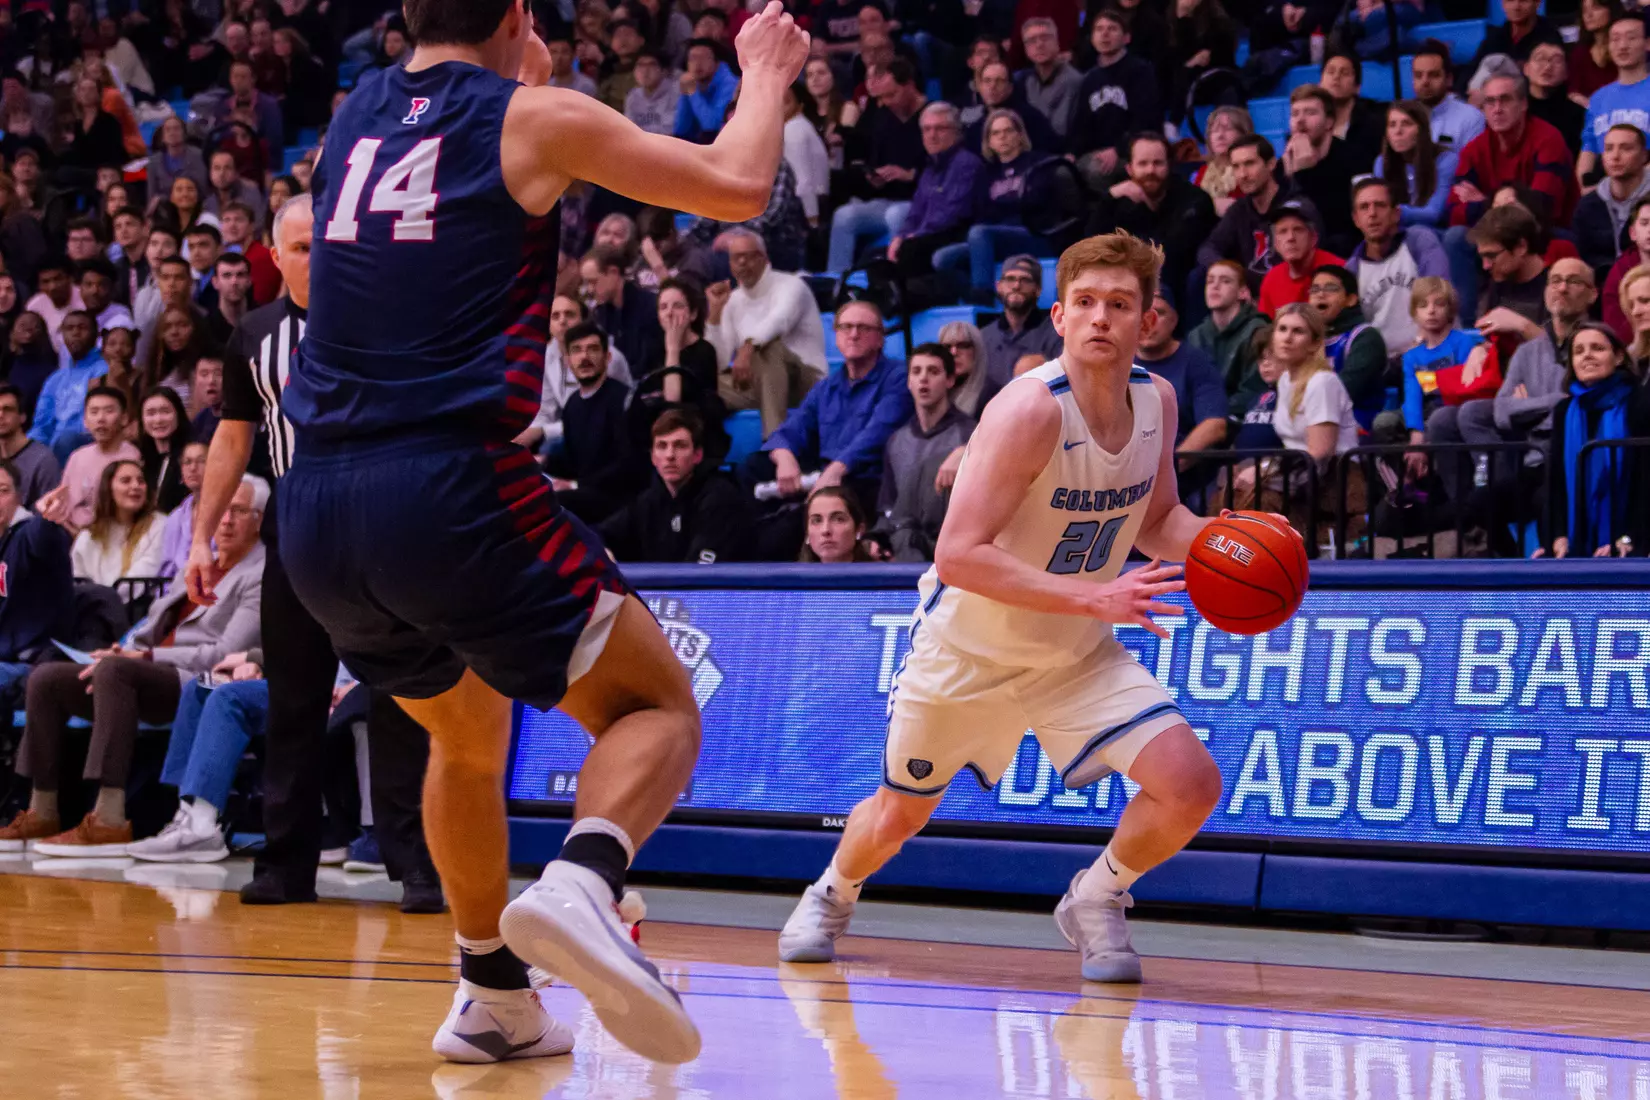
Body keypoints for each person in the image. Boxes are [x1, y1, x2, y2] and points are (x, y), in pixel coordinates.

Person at [273, 0, 812, 1065]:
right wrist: (764, 72)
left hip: (318, 506)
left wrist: (525, 66)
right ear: (516, 16)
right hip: (447, 485)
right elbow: (741, 183)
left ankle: (491, 993)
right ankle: (583, 882)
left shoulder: (351, 119)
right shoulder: (534, 117)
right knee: (657, 705)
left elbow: (451, 158)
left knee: (465, 738)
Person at [778, 230, 1236, 984]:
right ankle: (833, 890)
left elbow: (1156, 520)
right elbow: (958, 553)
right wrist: (1098, 594)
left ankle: (1097, 896)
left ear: (1146, 318)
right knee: (897, 817)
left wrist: (1234, 543)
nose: (1100, 318)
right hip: (971, 651)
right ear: (1057, 316)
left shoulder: (1157, 398)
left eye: (1119, 304)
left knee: (1191, 783)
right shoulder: (1028, 410)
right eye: (1085, 302)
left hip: (1073, 653)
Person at [7, 476, 265, 858]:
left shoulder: (260, 574)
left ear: (259, 519)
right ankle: (41, 809)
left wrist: (141, 658)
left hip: (193, 681)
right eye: (221, 510)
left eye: (238, 511)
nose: (225, 520)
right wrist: (122, 648)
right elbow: (151, 627)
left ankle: (109, 818)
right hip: (141, 670)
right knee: (47, 679)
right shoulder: (200, 562)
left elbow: (224, 651)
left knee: (116, 672)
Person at [744, 298, 912, 515]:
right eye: (846, 327)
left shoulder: (898, 378)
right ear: (837, 337)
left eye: (863, 328)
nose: (853, 334)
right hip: (823, 474)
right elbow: (794, 428)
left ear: (880, 339)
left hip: (864, 478)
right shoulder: (826, 387)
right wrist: (784, 456)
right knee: (752, 467)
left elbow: (877, 435)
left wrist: (837, 469)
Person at [1536, 322, 1650, 557]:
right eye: (1578, 351)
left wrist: (1630, 537)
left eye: (1597, 348)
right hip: (1577, 542)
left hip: (1632, 539)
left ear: (1618, 357)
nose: (1587, 355)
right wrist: (1557, 537)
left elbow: (1644, 480)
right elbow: (1556, 480)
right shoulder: (1564, 410)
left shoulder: (1640, 403)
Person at [705, 229, 827, 435]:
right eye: (736, 258)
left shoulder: (791, 285)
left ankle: (774, 445)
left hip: (807, 381)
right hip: (760, 384)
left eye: (748, 256)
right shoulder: (732, 300)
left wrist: (748, 347)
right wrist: (715, 315)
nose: (742, 263)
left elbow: (780, 320)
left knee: (766, 350)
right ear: (730, 265)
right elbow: (719, 361)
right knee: (700, 384)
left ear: (764, 258)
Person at [597, 408, 753, 562]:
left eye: (680, 446)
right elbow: (596, 534)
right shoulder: (646, 502)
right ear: (653, 457)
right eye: (662, 446)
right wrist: (603, 551)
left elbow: (700, 572)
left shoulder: (720, 497)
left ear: (697, 455)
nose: (670, 455)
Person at [870, 343, 975, 562]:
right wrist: (877, 539)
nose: (923, 379)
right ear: (909, 382)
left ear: (950, 380)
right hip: (905, 544)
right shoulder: (896, 441)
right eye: (916, 372)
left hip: (954, 547)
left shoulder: (971, 433)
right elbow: (888, 505)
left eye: (933, 371)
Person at [933, 109, 1052, 298]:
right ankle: (972, 294)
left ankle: (983, 294)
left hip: (1032, 234)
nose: (1002, 137)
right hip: (994, 238)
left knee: (979, 232)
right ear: (989, 141)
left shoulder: (1040, 163)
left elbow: (1036, 202)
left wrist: (1001, 207)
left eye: (1008, 131)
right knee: (942, 258)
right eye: (995, 133)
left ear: (1020, 135)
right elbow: (981, 212)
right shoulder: (986, 173)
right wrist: (1010, 203)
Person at [1094, 133, 1216, 309]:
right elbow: (1091, 244)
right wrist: (1109, 198)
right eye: (1143, 164)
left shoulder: (1194, 199)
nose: (1150, 170)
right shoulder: (1118, 200)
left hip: (1178, 287)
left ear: (1169, 166)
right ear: (1129, 169)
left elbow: (1174, 251)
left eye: (1157, 163)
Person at [826, 59, 926, 272]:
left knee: (895, 215)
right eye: (882, 97)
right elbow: (875, 161)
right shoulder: (883, 118)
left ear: (909, 85)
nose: (887, 102)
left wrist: (911, 175)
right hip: (888, 198)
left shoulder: (932, 119)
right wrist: (875, 178)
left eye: (892, 95)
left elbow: (943, 169)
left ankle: (897, 278)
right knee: (844, 216)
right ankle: (835, 280)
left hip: (920, 202)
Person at [547, 323, 643, 523]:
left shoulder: (625, 400)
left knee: (551, 502)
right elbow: (574, 461)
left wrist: (576, 484)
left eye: (592, 349)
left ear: (607, 357)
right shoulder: (572, 404)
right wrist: (542, 462)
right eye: (577, 350)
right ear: (567, 361)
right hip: (584, 491)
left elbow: (628, 466)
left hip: (618, 499)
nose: (584, 357)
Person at [1345, 178, 1450, 356]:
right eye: (1364, 207)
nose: (1372, 213)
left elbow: (1441, 296)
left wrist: (1416, 347)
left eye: (1380, 205)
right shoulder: (1352, 270)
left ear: (1396, 213)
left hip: (1431, 352)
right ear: (1356, 220)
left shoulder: (1419, 242)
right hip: (1382, 367)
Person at [0, 457, 72, 711]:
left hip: (27, 662)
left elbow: (42, 540)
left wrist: (45, 519)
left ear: (19, 498)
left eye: (3, 491)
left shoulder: (26, 533)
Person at [1066, 9, 1161, 193]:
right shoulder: (1089, 79)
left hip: (1132, 152)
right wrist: (1071, 153)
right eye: (1099, 29)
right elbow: (1081, 125)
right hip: (1096, 153)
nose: (1105, 34)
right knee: (1061, 173)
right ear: (1092, 39)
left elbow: (1145, 120)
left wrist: (1118, 149)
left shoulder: (1140, 71)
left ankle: (1115, 220)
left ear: (1126, 38)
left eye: (1112, 29)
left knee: (1097, 171)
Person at [1135, 288, 1228, 458]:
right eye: (1143, 312)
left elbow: (1214, 425)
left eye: (1159, 313)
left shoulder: (1196, 362)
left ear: (1174, 320)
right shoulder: (1115, 361)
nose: (1149, 321)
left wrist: (1170, 467)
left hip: (1184, 477)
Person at [1197, 135, 1285, 294]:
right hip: (1247, 291)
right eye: (1236, 167)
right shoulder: (1239, 209)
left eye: (1249, 164)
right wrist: (1231, 273)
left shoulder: (1293, 207)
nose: (1242, 174)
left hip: (1283, 295)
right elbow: (1208, 248)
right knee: (1197, 277)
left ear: (1271, 164)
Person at [1279, 86, 1359, 256]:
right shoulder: (1283, 164)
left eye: (1310, 112)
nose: (1300, 120)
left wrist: (1304, 174)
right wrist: (1289, 178)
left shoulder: (1352, 157)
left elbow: (1337, 221)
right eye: (1295, 114)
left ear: (1329, 122)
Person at [1469, 203, 1552, 364]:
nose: (1485, 266)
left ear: (1521, 246)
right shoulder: (1499, 282)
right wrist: (1479, 349)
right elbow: (1488, 339)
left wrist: (1521, 325)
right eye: (1482, 257)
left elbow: (1563, 351)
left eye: (1491, 256)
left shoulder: (1557, 286)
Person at [1307, 264, 1389, 427]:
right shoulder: (1306, 338)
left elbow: (1344, 392)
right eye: (1314, 289)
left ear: (1350, 300)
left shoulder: (1365, 337)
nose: (1321, 294)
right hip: (1312, 420)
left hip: (1356, 427)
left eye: (1331, 288)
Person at [1578, 14, 1650, 187]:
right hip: (1605, 192)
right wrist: (1586, 189)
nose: (1623, 46)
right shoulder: (1598, 98)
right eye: (1615, 39)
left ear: (1647, 43)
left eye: (1631, 38)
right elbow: (1589, 149)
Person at [1189, 260, 1268, 417]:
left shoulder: (1258, 330)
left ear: (1243, 292)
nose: (1215, 286)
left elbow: (1253, 390)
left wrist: (1215, 413)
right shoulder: (1196, 335)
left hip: (1240, 420)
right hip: (1202, 419)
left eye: (1225, 281)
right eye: (1210, 281)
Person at [70, 458, 166, 585]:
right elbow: (77, 581)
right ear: (108, 489)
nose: (135, 486)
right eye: (126, 481)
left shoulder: (159, 525)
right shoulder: (88, 536)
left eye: (141, 481)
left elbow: (144, 573)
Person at [31, 313, 110, 463]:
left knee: (66, 439)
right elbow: (41, 424)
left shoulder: (104, 370)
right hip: (53, 446)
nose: (75, 333)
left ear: (96, 334)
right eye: (69, 328)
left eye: (82, 328)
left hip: (85, 440)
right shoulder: (56, 378)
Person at [980, 254, 1065, 385]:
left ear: (1038, 290)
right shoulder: (985, 337)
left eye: (1025, 280)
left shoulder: (1056, 333)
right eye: (1010, 279)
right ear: (998, 286)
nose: (1016, 286)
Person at [1576, 124, 1650, 271]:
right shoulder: (1587, 206)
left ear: (1644, 156)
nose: (1615, 156)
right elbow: (1582, 257)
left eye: (1626, 148)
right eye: (1609, 149)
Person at [1373, 101, 1457, 229]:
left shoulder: (1445, 159)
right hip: (1395, 232)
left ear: (1421, 129)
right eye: (1392, 125)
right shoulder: (1381, 162)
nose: (1398, 131)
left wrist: (1393, 211)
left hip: (1435, 233)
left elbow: (1434, 214)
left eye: (1406, 124)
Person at [1256, 198, 1342, 318]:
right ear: (1276, 243)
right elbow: (1265, 330)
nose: (1290, 237)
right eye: (1283, 231)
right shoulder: (1271, 280)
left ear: (1313, 238)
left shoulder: (1338, 271)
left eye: (1298, 229)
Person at [581, 246, 662, 372]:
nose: (590, 290)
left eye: (593, 281)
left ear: (613, 272)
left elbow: (648, 363)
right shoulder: (600, 314)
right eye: (587, 283)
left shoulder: (651, 307)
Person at [1016, 17, 1081, 138]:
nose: (1039, 44)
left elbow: (1061, 130)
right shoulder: (1024, 81)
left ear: (1057, 42)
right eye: (1032, 40)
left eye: (1045, 38)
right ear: (1026, 49)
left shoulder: (1073, 81)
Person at [0, 383, 61, 508]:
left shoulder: (43, 460)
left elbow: (48, 517)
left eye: (8, 409)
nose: (0, 415)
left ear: (22, 417)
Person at [1318, 51, 1385, 156]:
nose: (1336, 77)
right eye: (1330, 72)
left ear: (1357, 87)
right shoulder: (1310, 123)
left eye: (1345, 73)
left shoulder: (1374, 124)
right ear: (1320, 83)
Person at [138, 387, 193, 513]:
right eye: (151, 413)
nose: (158, 420)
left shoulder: (190, 456)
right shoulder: (141, 458)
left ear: (178, 414)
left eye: (165, 411)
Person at [160, 440, 210, 577]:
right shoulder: (175, 517)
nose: (193, 468)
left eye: (201, 461)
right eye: (187, 462)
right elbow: (166, 568)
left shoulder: (227, 511)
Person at [1192, 106, 1253, 216]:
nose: (1220, 136)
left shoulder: (1252, 170)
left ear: (1243, 134)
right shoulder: (1203, 172)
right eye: (1214, 131)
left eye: (1227, 129)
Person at [675, 38, 738, 142]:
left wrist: (693, 92)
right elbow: (682, 130)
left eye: (704, 57)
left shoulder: (730, 84)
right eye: (693, 58)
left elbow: (712, 127)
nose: (697, 63)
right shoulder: (691, 81)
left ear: (717, 62)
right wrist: (686, 94)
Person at [25, 257, 88, 357]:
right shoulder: (34, 306)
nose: (52, 286)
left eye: (57, 279)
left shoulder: (86, 298)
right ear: (39, 285)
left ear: (70, 278)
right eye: (46, 282)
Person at [798, 484, 877, 563]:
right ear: (807, 533)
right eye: (817, 521)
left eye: (839, 519)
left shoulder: (880, 574)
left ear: (859, 530)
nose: (825, 530)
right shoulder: (793, 575)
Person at [936, 321, 998, 420]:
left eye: (962, 345)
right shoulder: (936, 392)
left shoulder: (992, 396)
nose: (954, 352)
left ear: (977, 350)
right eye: (947, 347)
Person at [625, 49, 681, 136]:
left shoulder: (676, 92)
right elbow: (629, 132)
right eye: (640, 65)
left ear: (664, 71)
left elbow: (670, 132)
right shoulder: (633, 96)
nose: (645, 71)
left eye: (652, 65)